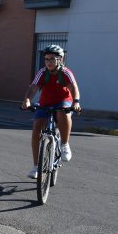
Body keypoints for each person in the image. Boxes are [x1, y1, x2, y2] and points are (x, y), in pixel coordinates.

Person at [21, 44, 81, 179]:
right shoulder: (42, 73)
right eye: (46, 59)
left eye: (52, 59)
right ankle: (36, 166)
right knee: (37, 128)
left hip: (63, 101)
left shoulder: (65, 73)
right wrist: (27, 100)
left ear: (60, 60)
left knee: (62, 113)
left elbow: (74, 88)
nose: (48, 62)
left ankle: (64, 144)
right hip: (45, 102)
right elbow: (33, 88)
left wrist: (76, 102)